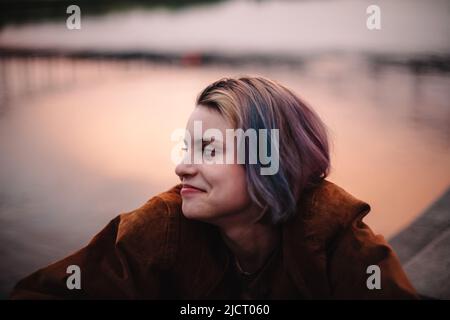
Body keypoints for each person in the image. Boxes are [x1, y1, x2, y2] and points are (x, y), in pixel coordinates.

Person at [11, 76, 417, 299]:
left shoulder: (335, 235)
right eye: (186, 146)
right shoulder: (163, 227)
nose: (182, 166)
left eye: (208, 149)